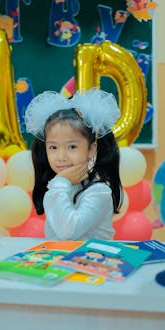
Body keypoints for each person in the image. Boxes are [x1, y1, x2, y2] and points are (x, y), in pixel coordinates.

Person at [24, 87, 123, 241]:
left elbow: (68, 233)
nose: (61, 157)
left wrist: (59, 183)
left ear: (91, 148)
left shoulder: (99, 191)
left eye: (72, 147)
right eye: (53, 147)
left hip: (95, 263)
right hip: (61, 263)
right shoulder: (60, 186)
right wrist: (60, 184)